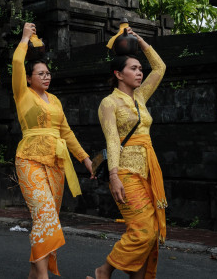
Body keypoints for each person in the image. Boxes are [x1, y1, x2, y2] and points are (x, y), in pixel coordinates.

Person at [12, 22, 94, 279]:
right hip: (29, 160)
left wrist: (85, 159)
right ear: (28, 78)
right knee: (45, 214)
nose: (46, 77)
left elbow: (66, 132)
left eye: (48, 73)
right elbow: (16, 63)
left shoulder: (55, 100)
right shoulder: (22, 94)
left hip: (57, 163)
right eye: (41, 74)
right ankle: (44, 276)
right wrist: (25, 38)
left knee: (47, 218)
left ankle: (35, 273)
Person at [86, 28, 167, 279]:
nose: (139, 72)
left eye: (140, 68)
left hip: (149, 172)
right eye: (133, 68)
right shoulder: (109, 103)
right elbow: (112, 140)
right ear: (118, 74)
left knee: (149, 231)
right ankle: (104, 270)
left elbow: (160, 68)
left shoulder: (140, 97)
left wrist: (141, 41)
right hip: (125, 172)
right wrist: (114, 176)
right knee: (144, 230)